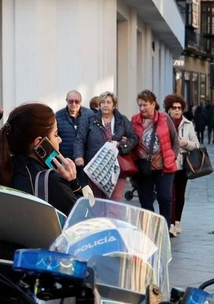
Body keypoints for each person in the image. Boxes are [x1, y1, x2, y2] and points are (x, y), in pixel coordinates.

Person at [0, 102, 84, 214]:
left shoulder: (5, 166)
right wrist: (73, 184)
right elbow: (82, 221)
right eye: (56, 134)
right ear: (39, 143)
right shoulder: (51, 181)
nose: (60, 139)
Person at [131, 90, 178, 222]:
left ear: (153, 104)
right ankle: (149, 230)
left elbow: (175, 141)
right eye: (139, 105)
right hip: (143, 169)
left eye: (145, 105)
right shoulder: (135, 119)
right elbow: (132, 139)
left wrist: (172, 157)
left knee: (165, 198)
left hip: (164, 168)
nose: (142, 108)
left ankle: (164, 228)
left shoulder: (164, 118)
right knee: (145, 202)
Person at [85, 92, 138, 200]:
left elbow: (134, 138)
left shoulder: (122, 120)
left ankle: (110, 218)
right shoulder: (90, 120)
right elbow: (81, 139)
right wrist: (79, 157)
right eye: (103, 102)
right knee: (96, 202)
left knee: (114, 202)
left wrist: (121, 144)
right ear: (99, 105)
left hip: (117, 167)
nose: (105, 105)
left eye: (108, 102)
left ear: (114, 105)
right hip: (96, 167)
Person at [164, 93, 201, 236]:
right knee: (169, 195)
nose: (177, 110)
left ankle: (177, 221)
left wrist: (186, 143)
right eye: (174, 108)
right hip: (168, 164)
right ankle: (171, 223)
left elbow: (196, 144)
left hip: (183, 165)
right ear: (168, 109)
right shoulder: (163, 122)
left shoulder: (188, 124)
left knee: (180, 194)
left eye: (179, 108)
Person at [56, 90, 96, 169]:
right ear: (66, 101)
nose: (74, 104)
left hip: (85, 161)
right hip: (65, 161)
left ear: (81, 101)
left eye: (77, 101)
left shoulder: (89, 115)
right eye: (71, 101)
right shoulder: (58, 116)